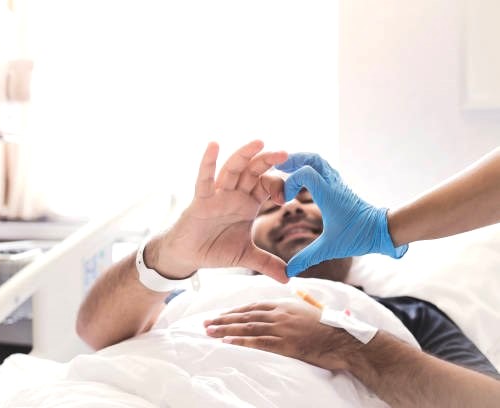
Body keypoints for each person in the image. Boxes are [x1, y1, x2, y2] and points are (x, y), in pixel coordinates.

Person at [76, 140, 500, 407]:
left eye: (308, 200)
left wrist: (351, 345)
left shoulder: (405, 314)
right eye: (273, 207)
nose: (293, 207)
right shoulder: (192, 300)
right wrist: (171, 250)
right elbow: (95, 333)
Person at [271, 147, 500, 276]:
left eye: (309, 199)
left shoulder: (411, 314)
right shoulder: (236, 301)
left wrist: (380, 228)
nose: (292, 208)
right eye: (268, 210)